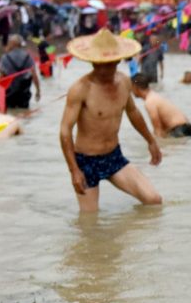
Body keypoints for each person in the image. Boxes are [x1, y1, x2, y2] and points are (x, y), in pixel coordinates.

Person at [60, 29, 162, 213]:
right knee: (89, 222)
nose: (104, 69)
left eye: (109, 64)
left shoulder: (124, 82)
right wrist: (74, 170)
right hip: (86, 162)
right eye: (100, 64)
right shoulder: (80, 89)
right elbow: (65, 130)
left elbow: (133, 112)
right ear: (92, 61)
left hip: (114, 156)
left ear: (117, 60)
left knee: (154, 200)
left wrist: (151, 140)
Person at [0, 34, 41, 109]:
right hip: (24, 94)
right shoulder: (28, 57)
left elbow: (1, 78)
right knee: (24, 115)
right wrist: (38, 91)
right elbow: (34, 75)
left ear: (12, 43)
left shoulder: (5, 58)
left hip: (9, 94)